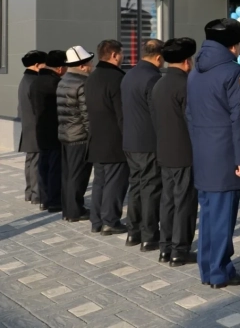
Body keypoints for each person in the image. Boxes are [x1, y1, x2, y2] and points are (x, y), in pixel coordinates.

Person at [187, 19, 240, 289]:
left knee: (208, 215)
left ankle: (207, 269)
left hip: (203, 152)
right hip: (226, 155)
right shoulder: (234, 72)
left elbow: (189, 114)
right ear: (234, 45)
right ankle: (220, 272)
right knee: (223, 217)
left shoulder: (195, 71)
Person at [152, 38, 198, 267]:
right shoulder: (186, 85)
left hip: (164, 150)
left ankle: (165, 247)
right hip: (184, 152)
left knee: (168, 201)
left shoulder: (158, 84)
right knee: (184, 203)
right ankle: (180, 250)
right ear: (187, 61)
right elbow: (193, 122)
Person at [122, 40, 164, 251]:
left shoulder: (128, 75)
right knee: (150, 189)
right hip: (148, 142)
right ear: (158, 57)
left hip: (130, 141)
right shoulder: (153, 78)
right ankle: (149, 236)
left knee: (136, 186)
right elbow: (157, 114)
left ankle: (133, 232)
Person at [86, 40, 130, 235]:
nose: (123, 57)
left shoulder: (92, 77)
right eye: (121, 53)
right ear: (114, 55)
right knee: (115, 182)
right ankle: (110, 220)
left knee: (100, 181)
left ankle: (96, 221)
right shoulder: (117, 78)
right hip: (114, 139)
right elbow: (122, 113)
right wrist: (128, 138)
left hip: (96, 138)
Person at [57, 46, 95, 222]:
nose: (91, 65)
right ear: (82, 66)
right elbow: (86, 114)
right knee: (78, 176)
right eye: (90, 62)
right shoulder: (83, 83)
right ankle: (75, 211)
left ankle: (68, 209)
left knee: (68, 174)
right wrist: (92, 136)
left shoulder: (63, 80)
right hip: (79, 136)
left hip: (66, 134)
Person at [31, 51, 67, 212]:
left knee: (43, 165)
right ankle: (54, 201)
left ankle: (44, 199)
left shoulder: (36, 82)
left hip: (40, 128)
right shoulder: (55, 83)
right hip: (54, 130)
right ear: (59, 68)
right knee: (55, 167)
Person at [18, 50, 46, 205]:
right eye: (44, 64)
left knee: (30, 161)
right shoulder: (35, 82)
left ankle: (29, 192)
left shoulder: (25, 80)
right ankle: (37, 194)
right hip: (36, 126)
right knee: (36, 161)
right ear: (37, 65)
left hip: (28, 125)